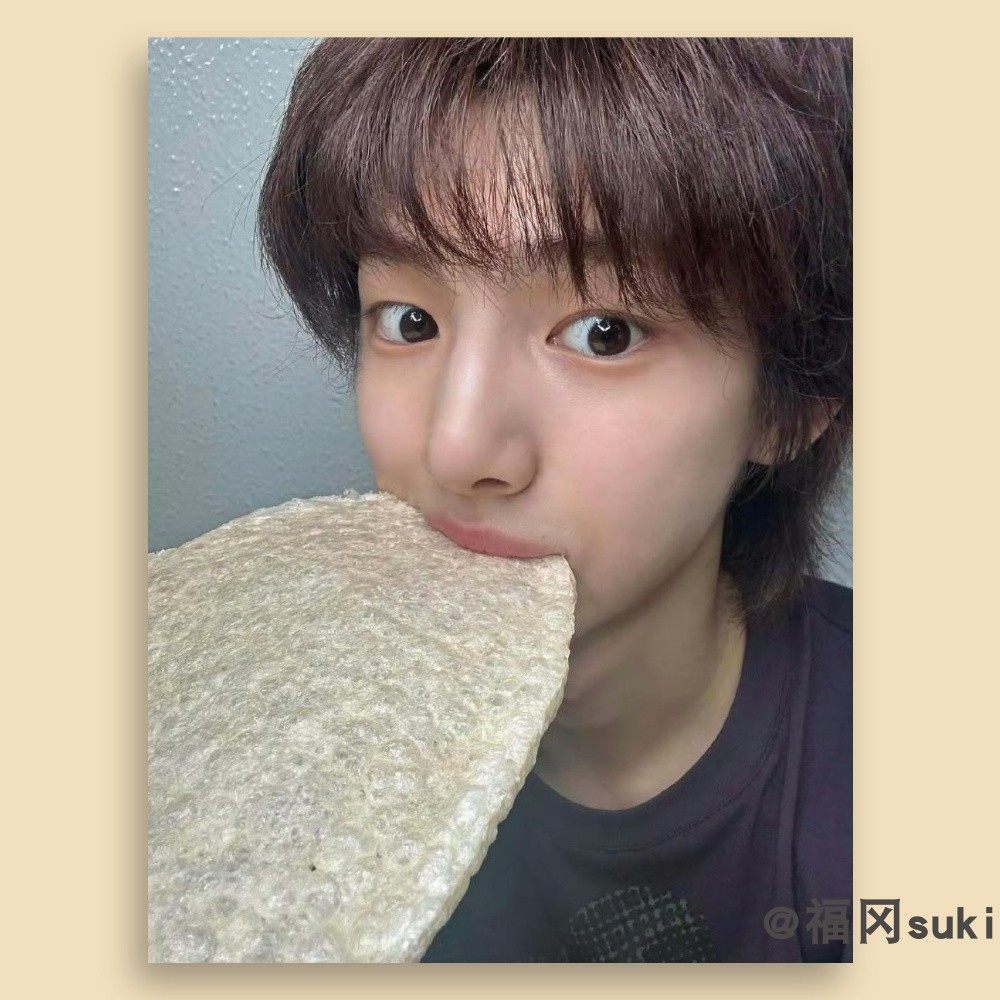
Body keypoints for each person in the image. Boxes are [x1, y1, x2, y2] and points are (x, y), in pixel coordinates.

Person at [256, 37, 853, 962]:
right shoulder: (274, 758)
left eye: (604, 333)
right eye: (409, 321)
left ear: (792, 403)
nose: (456, 449)